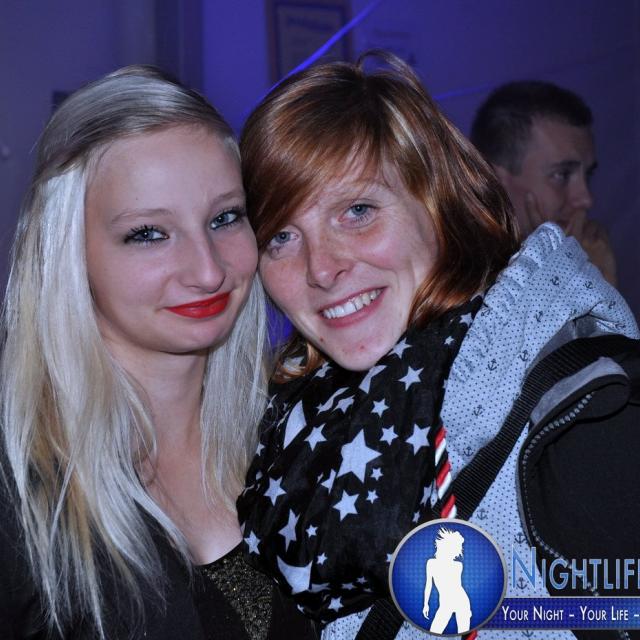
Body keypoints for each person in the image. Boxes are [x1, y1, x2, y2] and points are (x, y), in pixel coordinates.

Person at [236, 51, 640, 640]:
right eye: (280, 237)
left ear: (437, 202)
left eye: (358, 211)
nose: (321, 268)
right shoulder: (290, 421)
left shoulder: (572, 402)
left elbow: (623, 611)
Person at [0, 66, 316, 639]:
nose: (208, 270)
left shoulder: (301, 432)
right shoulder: (17, 490)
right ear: (69, 253)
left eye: (224, 218)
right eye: (148, 233)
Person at [470, 80, 618, 286]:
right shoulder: (461, 282)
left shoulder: (588, 253)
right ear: (494, 179)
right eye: (562, 175)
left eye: (588, 175)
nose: (586, 199)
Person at [422, 528, 471, 635]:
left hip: (461, 601)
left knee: (464, 633)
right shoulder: (431, 563)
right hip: (445, 603)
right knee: (434, 631)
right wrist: (425, 604)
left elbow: (457, 587)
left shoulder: (458, 566)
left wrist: (467, 610)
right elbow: (428, 585)